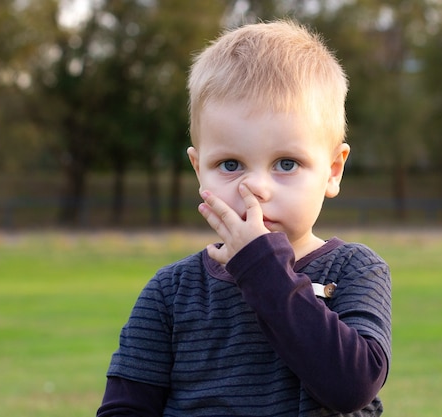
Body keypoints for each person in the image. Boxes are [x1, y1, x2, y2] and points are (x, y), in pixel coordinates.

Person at [97, 19, 391, 416]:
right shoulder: (169, 293)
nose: (255, 188)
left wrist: (263, 269)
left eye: (287, 163)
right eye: (230, 164)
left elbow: (351, 387)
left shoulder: (356, 270)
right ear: (199, 170)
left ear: (333, 170)